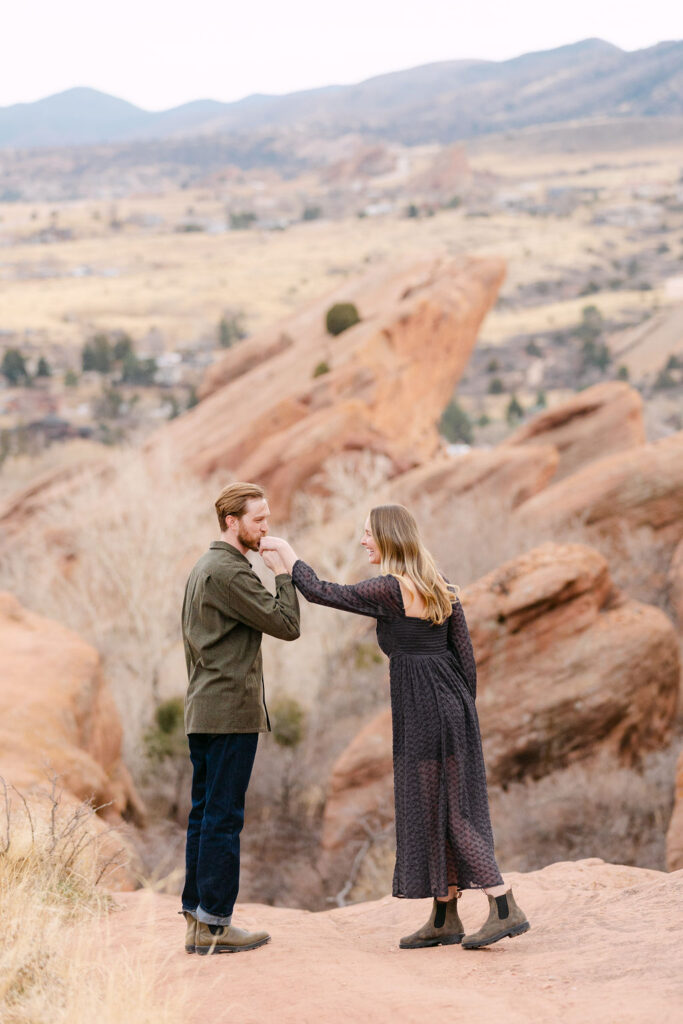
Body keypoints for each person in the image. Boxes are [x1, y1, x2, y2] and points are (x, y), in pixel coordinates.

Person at [259, 504, 529, 950]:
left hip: (423, 711)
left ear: (389, 537)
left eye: (369, 534)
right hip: (454, 706)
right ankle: (444, 915)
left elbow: (323, 592)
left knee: (448, 811)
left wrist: (287, 555)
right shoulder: (441, 586)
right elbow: (466, 659)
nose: (363, 541)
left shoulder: (390, 588)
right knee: (438, 806)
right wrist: (461, 711)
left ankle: (504, 905)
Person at [180, 482, 301, 956]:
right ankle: (216, 925)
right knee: (224, 817)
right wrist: (284, 573)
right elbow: (287, 625)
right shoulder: (230, 572)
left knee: (204, 814)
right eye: (258, 519)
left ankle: (197, 921)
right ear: (232, 522)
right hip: (230, 711)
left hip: (204, 709)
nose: (266, 527)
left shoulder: (203, 566)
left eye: (267, 517)